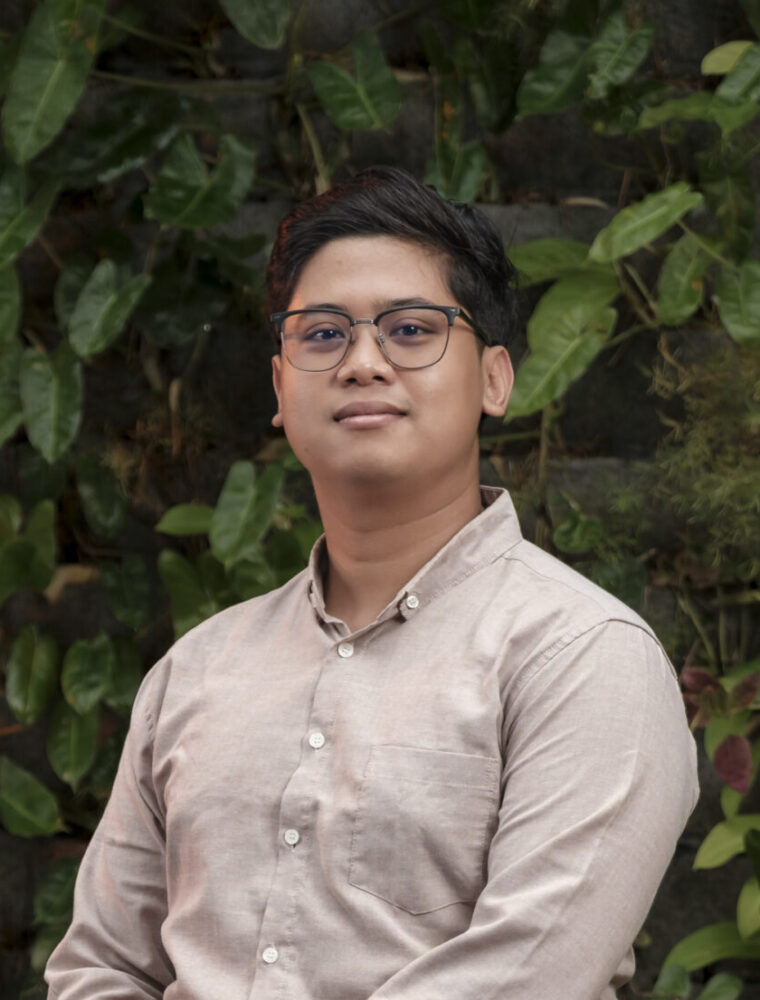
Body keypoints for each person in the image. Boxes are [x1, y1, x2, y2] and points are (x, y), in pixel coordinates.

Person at [45, 166, 698, 1000]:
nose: (362, 362)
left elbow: (527, 976)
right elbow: (101, 967)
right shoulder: (197, 671)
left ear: (495, 378)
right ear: (281, 388)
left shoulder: (583, 658)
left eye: (411, 329)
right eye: (322, 334)